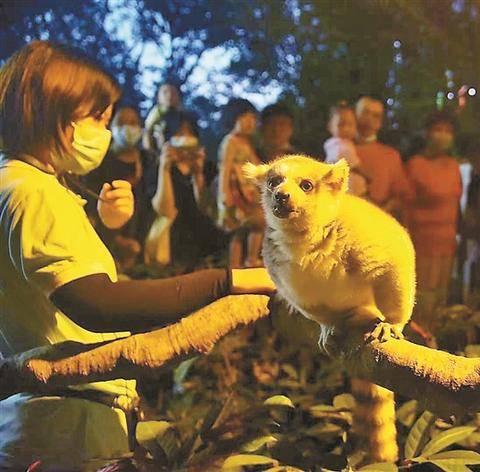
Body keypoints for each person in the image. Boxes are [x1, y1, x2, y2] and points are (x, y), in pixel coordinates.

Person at [0, 41, 276, 470]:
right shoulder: (32, 193)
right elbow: (97, 304)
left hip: (48, 416)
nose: (104, 133)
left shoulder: (16, 180)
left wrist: (94, 216)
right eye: (97, 117)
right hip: (65, 428)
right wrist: (229, 281)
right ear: (54, 113)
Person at [144, 110, 226, 270]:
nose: (185, 139)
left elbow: (208, 209)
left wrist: (198, 176)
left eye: (189, 133)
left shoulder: (207, 167)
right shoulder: (156, 168)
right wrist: (165, 169)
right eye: (179, 133)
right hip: (170, 246)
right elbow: (164, 210)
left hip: (205, 244)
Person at [403, 112, 462, 328]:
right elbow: (405, 207)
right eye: (439, 130)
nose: (443, 136)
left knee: (440, 297)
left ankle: (436, 343)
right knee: (422, 298)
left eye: (448, 132)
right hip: (423, 243)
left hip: (447, 241)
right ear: (427, 133)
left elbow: (456, 203)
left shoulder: (453, 165)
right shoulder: (416, 165)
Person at [84, 106, 149, 273]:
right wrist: (117, 239)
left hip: (145, 253)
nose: (128, 128)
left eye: (133, 123)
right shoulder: (98, 163)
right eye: (122, 123)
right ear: (111, 126)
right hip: (106, 247)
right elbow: (89, 206)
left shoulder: (148, 161)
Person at [217, 98, 265, 268]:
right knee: (244, 228)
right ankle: (240, 264)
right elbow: (225, 166)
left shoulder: (246, 143)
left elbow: (257, 164)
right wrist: (224, 193)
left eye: (253, 119)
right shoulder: (231, 141)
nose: (251, 123)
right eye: (246, 118)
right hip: (236, 192)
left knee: (250, 226)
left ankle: (247, 260)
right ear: (234, 118)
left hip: (249, 192)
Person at [354, 95, 410, 216]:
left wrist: (381, 212)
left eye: (375, 116)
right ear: (355, 115)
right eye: (365, 112)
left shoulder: (391, 156)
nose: (369, 119)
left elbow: (400, 196)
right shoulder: (336, 149)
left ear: (380, 123)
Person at [324, 101, 368, 197]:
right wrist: (366, 175)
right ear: (330, 126)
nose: (346, 129)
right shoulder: (340, 145)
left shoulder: (339, 143)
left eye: (350, 124)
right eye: (341, 124)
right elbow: (353, 163)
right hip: (347, 186)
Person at [142, 82, 182, 152]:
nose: (169, 95)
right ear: (158, 97)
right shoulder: (155, 113)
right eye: (165, 92)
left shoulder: (185, 117)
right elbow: (147, 131)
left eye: (173, 93)